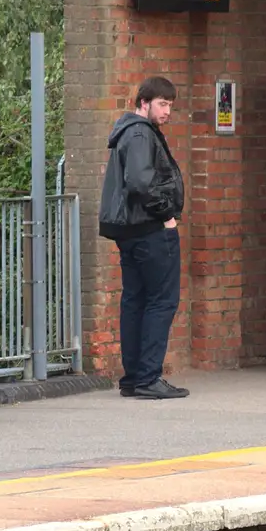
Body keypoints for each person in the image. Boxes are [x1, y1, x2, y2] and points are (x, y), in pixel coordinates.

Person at [99, 76, 189, 400]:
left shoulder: (129, 132)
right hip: (150, 229)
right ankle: (148, 376)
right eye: (163, 104)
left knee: (135, 300)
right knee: (161, 300)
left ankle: (134, 377)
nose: (167, 111)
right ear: (144, 103)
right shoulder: (139, 133)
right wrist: (166, 214)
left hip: (131, 231)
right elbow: (140, 182)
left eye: (170, 105)